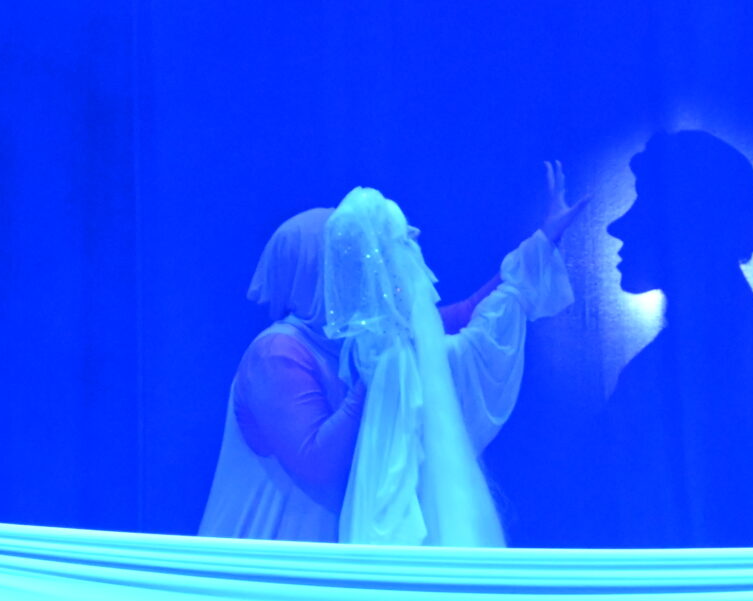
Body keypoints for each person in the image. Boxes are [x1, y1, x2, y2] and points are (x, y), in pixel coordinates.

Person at [198, 165, 579, 544]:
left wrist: (542, 243)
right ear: (314, 269)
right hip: (274, 555)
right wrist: (373, 379)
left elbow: (459, 318)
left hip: (332, 557)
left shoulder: (359, 339)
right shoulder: (277, 352)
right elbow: (317, 463)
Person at [596, 129, 753, 546]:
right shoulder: (727, 339)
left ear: (688, 225)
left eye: (644, 203)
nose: (617, 226)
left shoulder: (709, 358)